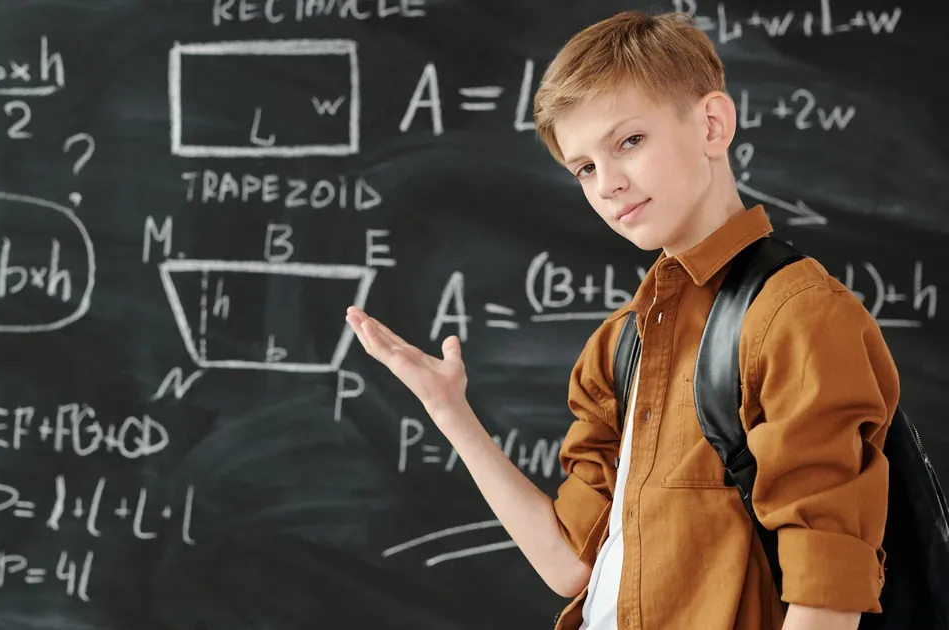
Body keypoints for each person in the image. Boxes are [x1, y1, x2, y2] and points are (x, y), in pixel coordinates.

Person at [345, 9, 899, 630]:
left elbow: (827, 592)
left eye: (629, 141)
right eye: (583, 167)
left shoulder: (797, 314)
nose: (607, 183)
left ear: (712, 124)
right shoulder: (623, 341)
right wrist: (449, 410)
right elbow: (571, 566)